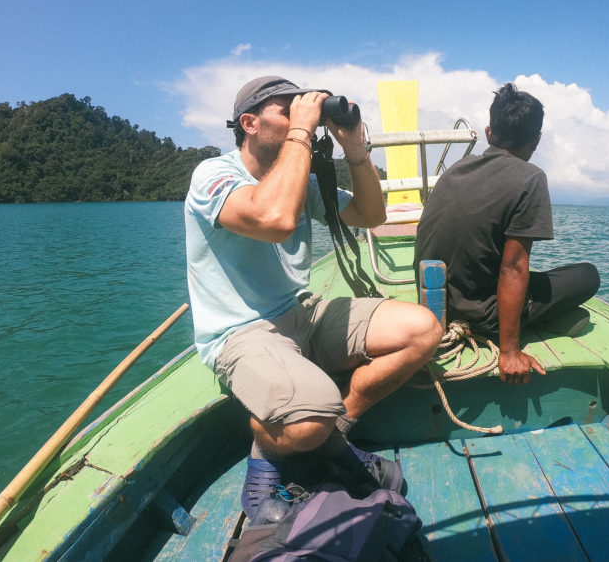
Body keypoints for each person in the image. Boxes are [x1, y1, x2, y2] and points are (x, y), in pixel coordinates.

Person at [185, 76, 442, 518]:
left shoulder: (299, 175)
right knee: (305, 422)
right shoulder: (214, 175)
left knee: (423, 330)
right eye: (286, 109)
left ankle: (336, 430)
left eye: (303, 109)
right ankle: (268, 455)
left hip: (301, 312)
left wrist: (355, 151)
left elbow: (371, 215)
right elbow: (275, 219)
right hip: (242, 332)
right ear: (249, 122)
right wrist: (302, 132)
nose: (300, 116)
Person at [414, 82, 600, 386]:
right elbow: (512, 267)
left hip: (434, 308)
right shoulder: (531, 178)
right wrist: (510, 350)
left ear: (489, 133)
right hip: (481, 316)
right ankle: (527, 325)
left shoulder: (454, 170)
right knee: (587, 275)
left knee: (537, 274)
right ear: (537, 140)